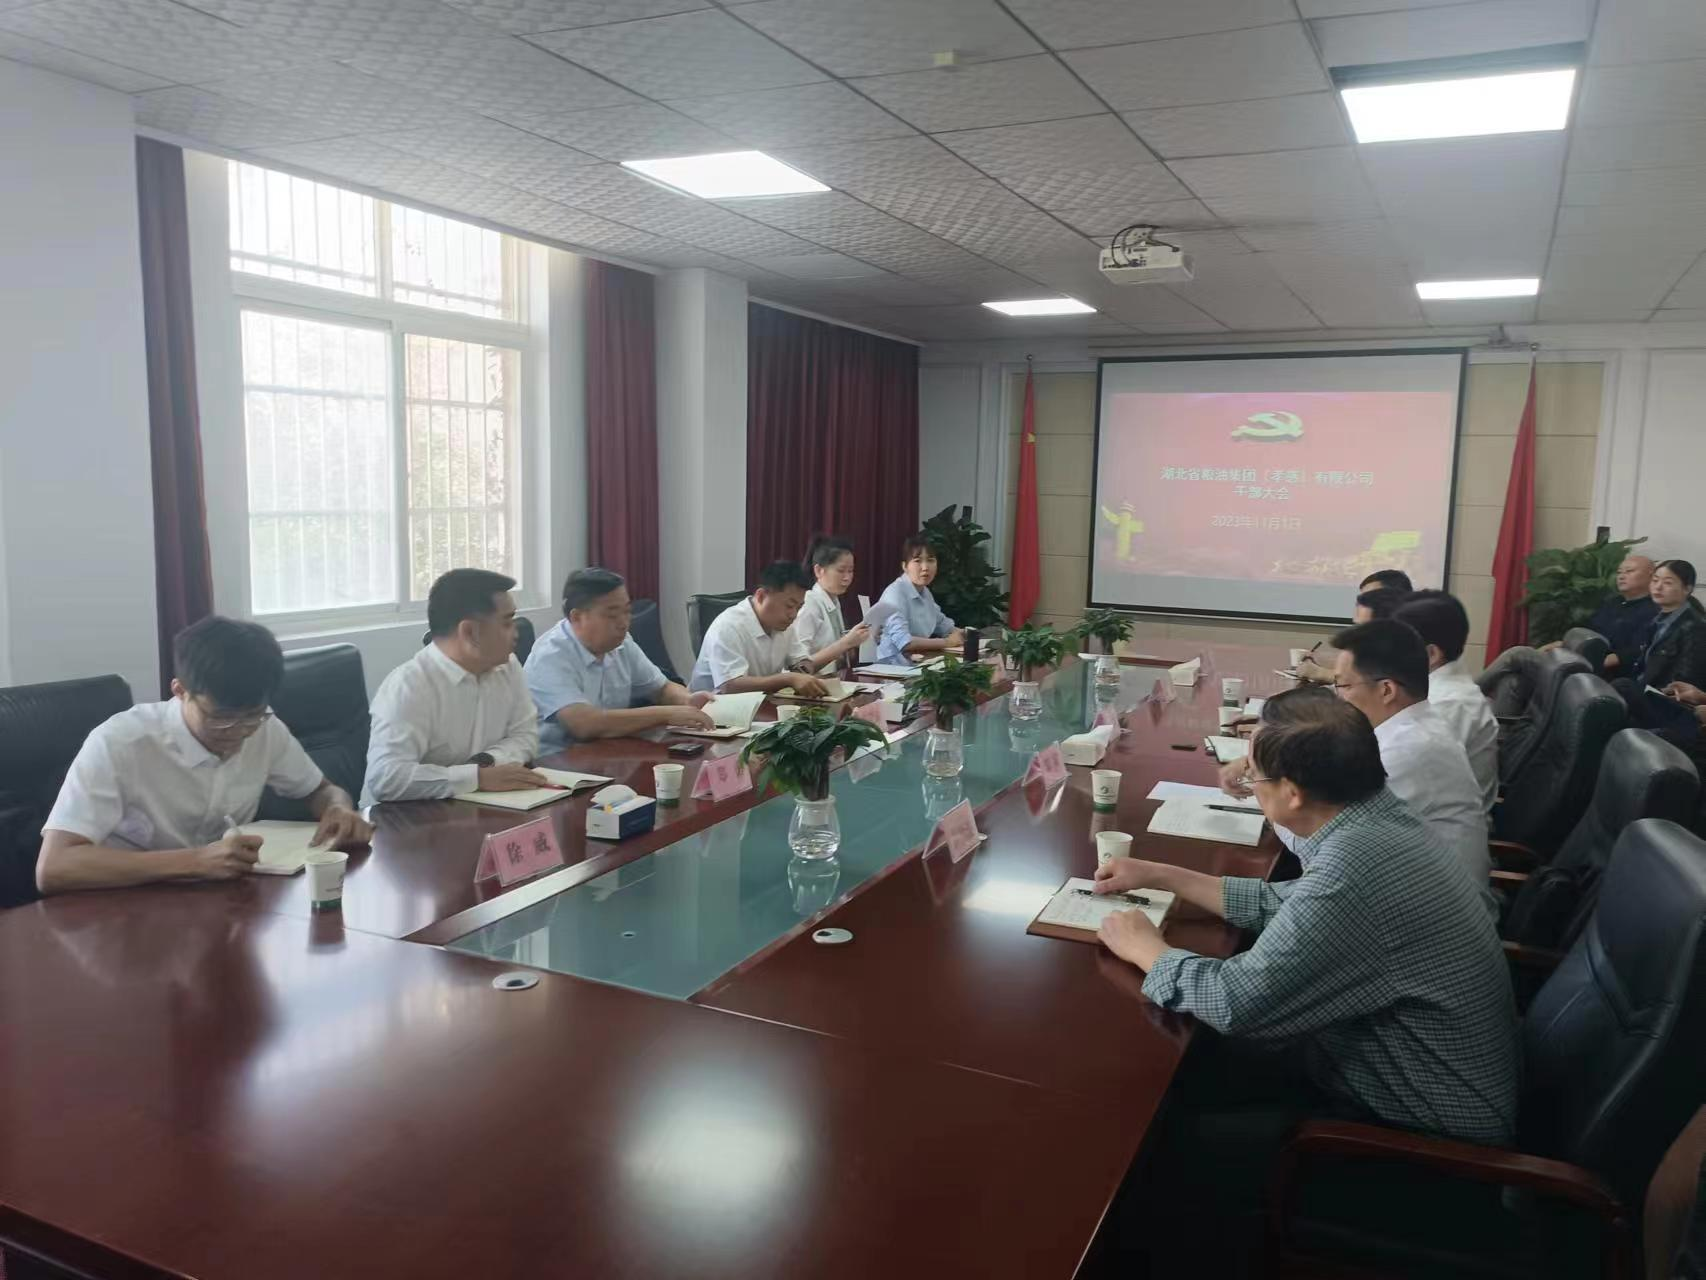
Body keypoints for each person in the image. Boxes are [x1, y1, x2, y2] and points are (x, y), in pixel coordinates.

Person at [1093, 688, 1517, 1273]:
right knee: (1183, 1074)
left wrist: (1148, 950)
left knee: (1156, 1147)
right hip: (1385, 1073)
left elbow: (1237, 1003)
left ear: (1291, 793)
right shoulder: (1379, 822)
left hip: (1420, 1146)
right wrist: (1162, 874)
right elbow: (1291, 904)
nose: (1249, 784)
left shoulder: (1355, 867)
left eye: (1255, 776)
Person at [36, 616, 372, 895]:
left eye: (252, 716)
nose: (238, 731)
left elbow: (320, 790)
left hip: (220, 901)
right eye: (221, 717)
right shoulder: (121, 742)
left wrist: (338, 809)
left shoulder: (265, 728)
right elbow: (54, 867)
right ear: (180, 691)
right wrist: (194, 862)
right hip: (123, 907)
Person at [1226, 620, 1492, 909]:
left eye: (1343, 685)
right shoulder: (1412, 728)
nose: (1337, 698)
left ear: (1386, 690)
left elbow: (1317, 839)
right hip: (1398, 890)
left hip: (1424, 911)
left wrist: (1265, 787)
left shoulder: (1405, 752)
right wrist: (1261, 765)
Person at [362, 569, 544, 805]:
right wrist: (477, 778)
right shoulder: (409, 686)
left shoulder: (508, 666)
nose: (516, 633)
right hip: (402, 818)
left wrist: (486, 762)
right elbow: (386, 778)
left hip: (474, 806)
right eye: (507, 623)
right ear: (470, 632)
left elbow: (526, 735)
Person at [527, 567, 714, 747]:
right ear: (577, 617)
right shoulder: (550, 656)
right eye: (612, 615)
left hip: (611, 752)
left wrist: (686, 701)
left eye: (627, 611)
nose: (624, 623)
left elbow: (661, 688)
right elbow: (583, 724)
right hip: (556, 760)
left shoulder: (622, 644)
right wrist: (667, 715)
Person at [1394, 589, 1498, 814]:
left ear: (1431, 654)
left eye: (1396, 646)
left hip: (1436, 827)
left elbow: (1401, 783)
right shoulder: (1443, 690)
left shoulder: (1448, 704)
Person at [689, 561, 830, 696]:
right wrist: (788, 679)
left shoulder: (784, 624)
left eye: (799, 607)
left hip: (759, 703)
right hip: (711, 707)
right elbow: (729, 686)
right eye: (789, 606)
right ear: (761, 596)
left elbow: (799, 659)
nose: (793, 615)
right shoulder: (728, 626)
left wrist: (803, 671)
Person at [1611, 559, 1706, 737]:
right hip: (1648, 694)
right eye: (1655, 581)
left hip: (1673, 707)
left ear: (1687, 589)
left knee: (1622, 687)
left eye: (1667, 583)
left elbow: (1683, 685)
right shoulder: (1657, 621)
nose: (1658, 587)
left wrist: (1643, 691)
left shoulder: (1694, 628)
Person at [1295, 568, 1415, 681]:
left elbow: (1371, 682)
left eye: (1370, 598)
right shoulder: (1378, 633)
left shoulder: (1404, 635)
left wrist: (1319, 673)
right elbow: (1361, 666)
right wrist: (1320, 659)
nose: (1362, 604)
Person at [875, 534, 963, 666]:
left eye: (931, 560)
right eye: (917, 561)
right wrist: (947, 642)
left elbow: (943, 624)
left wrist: (965, 634)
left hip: (917, 663)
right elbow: (904, 642)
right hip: (891, 668)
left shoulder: (924, 591)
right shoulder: (895, 593)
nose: (925, 567)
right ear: (905, 566)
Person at [791, 534, 873, 674]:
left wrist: (858, 641)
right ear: (819, 570)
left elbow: (836, 653)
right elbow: (798, 666)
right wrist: (846, 643)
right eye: (841, 571)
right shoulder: (809, 603)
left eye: (851, 571)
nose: (847, 578)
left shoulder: (833, 600)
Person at [1578, 554, 1657, 673]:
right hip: (1590, 662)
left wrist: (1593, 665)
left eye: (1629, 571)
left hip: (1621, 673)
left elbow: (1639, 649)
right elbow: (1588, 629)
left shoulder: (1655, 609)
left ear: (1651, 576)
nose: (1621, 576)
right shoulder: (1612, 602)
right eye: (1619, 572)